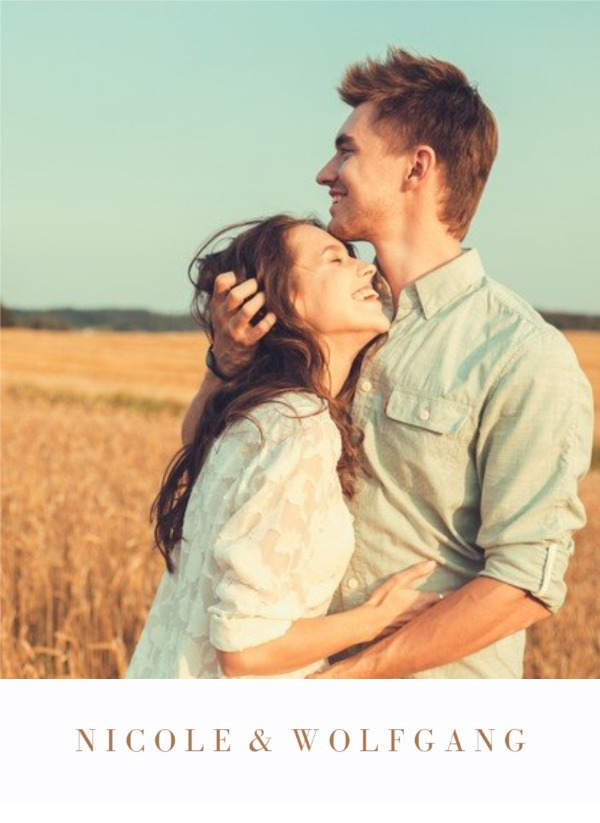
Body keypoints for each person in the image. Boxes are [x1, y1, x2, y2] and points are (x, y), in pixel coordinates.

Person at [182, 49, 594, 678]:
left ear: (416, 168)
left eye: (346, 151)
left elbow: (523, 582)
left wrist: (348, 680)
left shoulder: (522, 354)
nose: (325, 173)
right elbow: (208, 461)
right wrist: (227, 361)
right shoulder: (323, 315)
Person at [126, 215, 440, 679]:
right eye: (335, 260)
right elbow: (245, 649)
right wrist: (375, 618)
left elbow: (193, 439)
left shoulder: (257, 414)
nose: (367, 269)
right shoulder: (298, 424)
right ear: (285, 298)